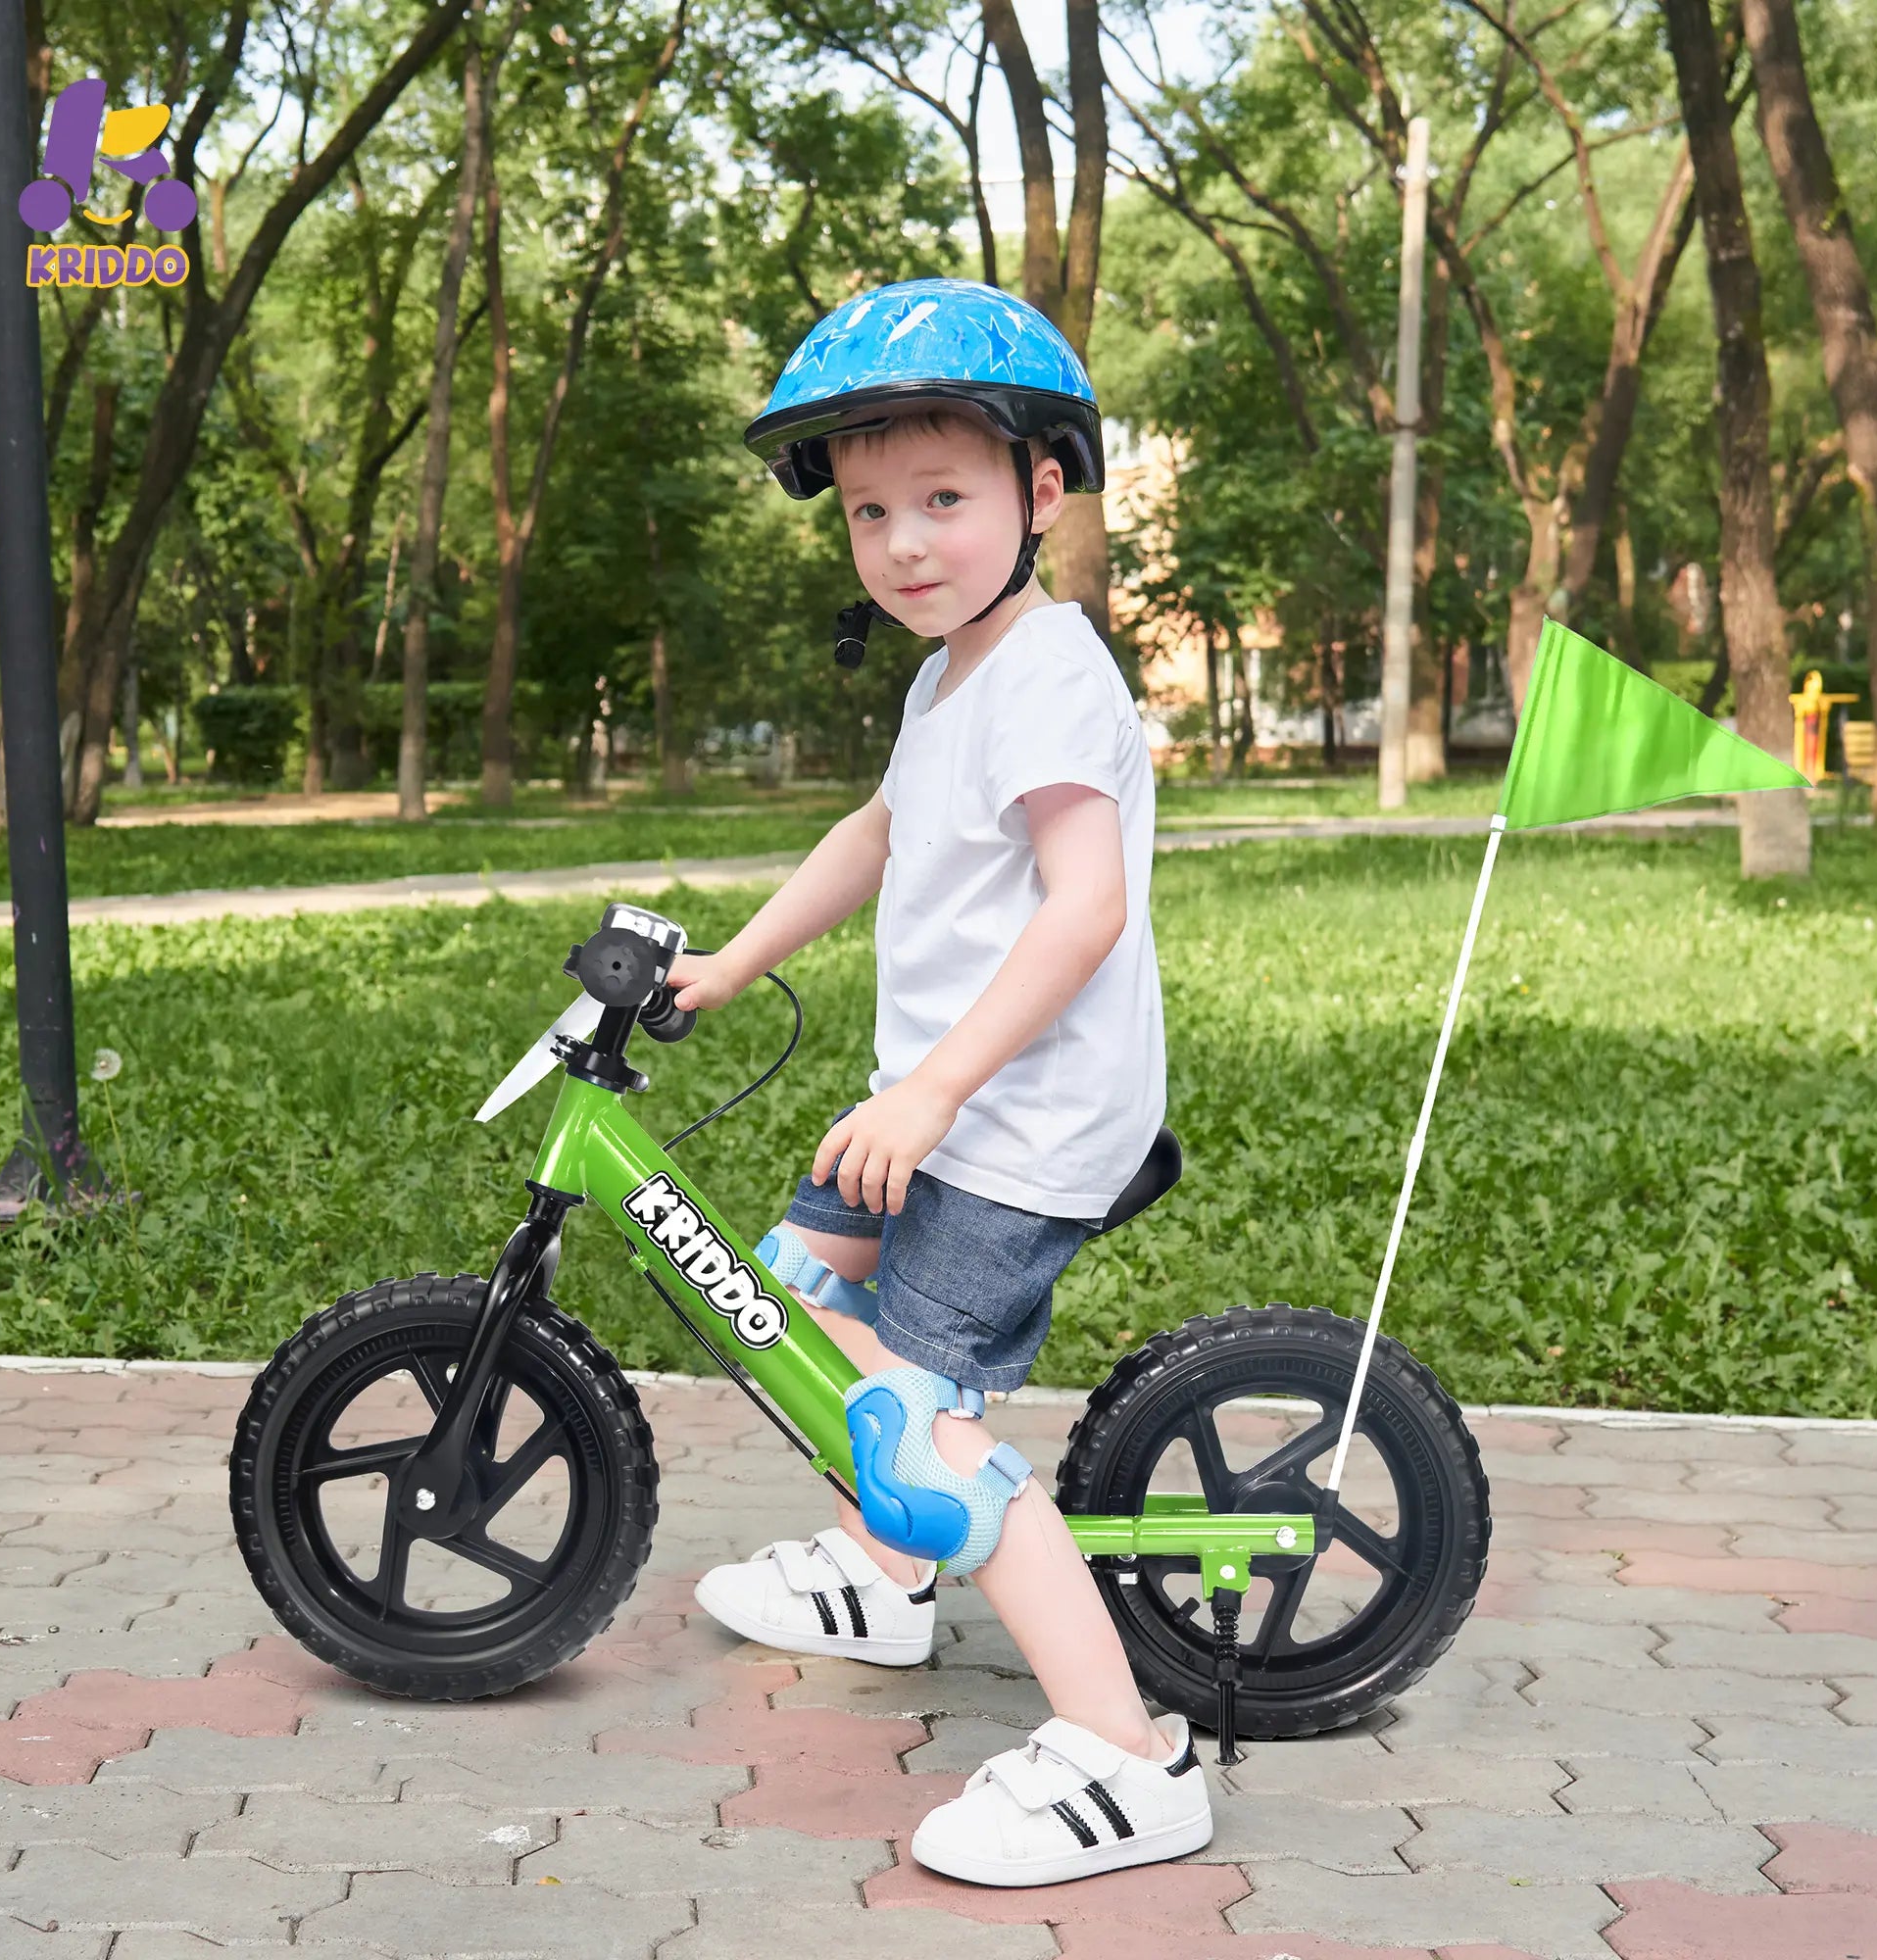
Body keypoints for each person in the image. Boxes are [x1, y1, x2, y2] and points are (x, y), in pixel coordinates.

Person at [665, 277, 1210, 1887]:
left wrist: (935, 1097)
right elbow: (879, 838)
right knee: (778, 1306)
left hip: (1016, 1124)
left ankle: (1129, 1751)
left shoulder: (1049, 670)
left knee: (904, 1419)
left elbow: (1087, 907)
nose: (905, 544)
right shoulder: (949, 675)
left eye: (945, 501)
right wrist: (730, 967)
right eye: (870, 513)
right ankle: (877, 1577)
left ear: (1044, 493)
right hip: (937, 1100)